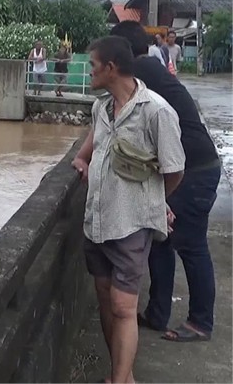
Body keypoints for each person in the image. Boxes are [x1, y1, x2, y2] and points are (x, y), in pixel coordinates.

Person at [71, 35, 185, 384]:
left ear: (111, 68)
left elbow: (175, 169)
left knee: (123, 307)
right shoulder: (101, 109)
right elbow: (89, 149)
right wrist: (80, 161)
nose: (88, 72)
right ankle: (123, 373)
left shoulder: (156, 112)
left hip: (131, 225)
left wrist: (154, 201)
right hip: (98, 223)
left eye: (92, 66)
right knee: (106, 302)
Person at [110, 20, 221, 342]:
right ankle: (158, 314)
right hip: (189, 166)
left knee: (191, 245)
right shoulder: (150, 70)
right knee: (161, 242)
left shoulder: (142, 74)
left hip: (193, 171)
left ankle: (201, 322)